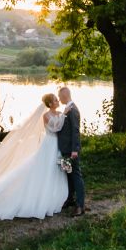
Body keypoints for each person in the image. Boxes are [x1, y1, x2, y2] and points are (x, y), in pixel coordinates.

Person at [0, 93, 69, 220]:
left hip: (56, 145)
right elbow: (55, 128)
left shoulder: (59, 113)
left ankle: (53, 194)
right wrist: (64, 114)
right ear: (50, 104)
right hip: (49, 144)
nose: (58, 101)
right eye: (55, 100)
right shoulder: (46, 116)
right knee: (43, 167)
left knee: (53, 168)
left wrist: (62, 115)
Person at [57, 86, 86, 216]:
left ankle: (80, 205)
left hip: (71, 150)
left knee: (75, 175)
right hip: (64, 149)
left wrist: (75, 150)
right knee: (68, 174)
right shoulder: (67, 109)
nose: (59, 99)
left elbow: (75, 131)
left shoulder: (73, 110)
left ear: (64, 96)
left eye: (59, 96)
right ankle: (70, 199)